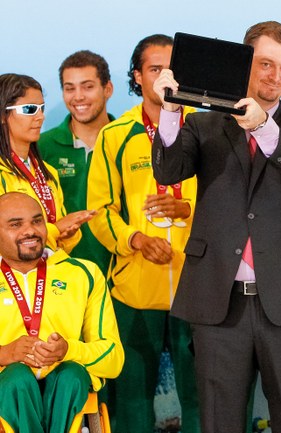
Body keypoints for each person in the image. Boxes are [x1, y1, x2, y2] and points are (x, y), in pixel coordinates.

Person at [151, 21, 281, 433]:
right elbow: (168, 170)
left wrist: (262, 125)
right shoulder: (203, 124)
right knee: (219, 421)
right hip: (218, 300)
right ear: (244, 63)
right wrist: (171, 109)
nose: (276, 77)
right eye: (266, 64)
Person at [87, 34, 199, 433]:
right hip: (134, 287)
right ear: (137, 76)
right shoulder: (116, 134)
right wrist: (134, 240)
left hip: (197, 285)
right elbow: (100, 210)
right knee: (132, 398)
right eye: (155, 69)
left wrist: (190, 208)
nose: (166, 77)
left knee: (201, 396)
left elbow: (232, 202)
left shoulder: (205, 127)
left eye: (173, 69)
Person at [0, 192, 124, 433]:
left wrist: (68, 350)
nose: (30, 231)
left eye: (37, 221)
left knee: (72, 375)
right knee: (17, 379)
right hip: (8, 390)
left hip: (67, 391)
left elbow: (113, 358)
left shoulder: (84, 274)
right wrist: (4, 353)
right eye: (16, 224)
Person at [38, 50, 115, 275]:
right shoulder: (42, 146)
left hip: (123, 271)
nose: (78, 96)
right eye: (70, 88)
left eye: (88, 86)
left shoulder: (126, 140)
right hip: (63, 273)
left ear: (108, 89)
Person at [0, 73, 93, 255]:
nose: (40, 117)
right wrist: (56, 229)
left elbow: (56, 245)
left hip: (49, 268)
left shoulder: (47, 172)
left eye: (41, 108)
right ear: (3, 115)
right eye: (29, 109)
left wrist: (68, 235)